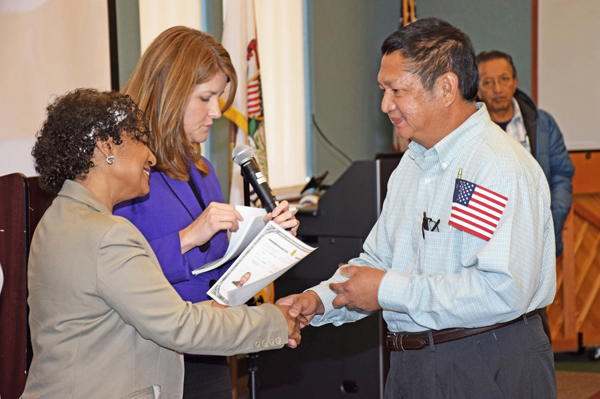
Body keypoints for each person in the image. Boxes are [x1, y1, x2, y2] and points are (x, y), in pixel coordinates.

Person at [278, 18, 557, 398]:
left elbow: (499, 290)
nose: (385, 104)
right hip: (415, 364)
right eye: (383, 90)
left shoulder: (492, 166)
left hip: (485, 358)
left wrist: (387, 290)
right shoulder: (413, 162)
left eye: (397, 90)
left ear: (446, 87)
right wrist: (320, 300)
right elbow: (379, 260)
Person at [23, 89, 301, 399]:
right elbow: (179, 326)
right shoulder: (107, 234)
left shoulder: (55, 220)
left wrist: (241, 308)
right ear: (105, 145)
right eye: (141, 140)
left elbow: (138, 316)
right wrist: (275, 323)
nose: (152, 157)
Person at [113, 26, 299, 398]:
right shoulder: (121, 171)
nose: (217, 111)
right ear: (169, 93)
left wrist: (266, 244)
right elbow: (112, 273)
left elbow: (217, 268)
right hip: (147, 353)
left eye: (219, 97)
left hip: (210, 344)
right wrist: (188, 237)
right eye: (205, 97)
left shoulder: (200, 169)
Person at [476, 51, 574, 343]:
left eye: (504, 79)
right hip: (489, 242)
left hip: (536, 240)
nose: (497, 89)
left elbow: (561, 176)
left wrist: (552, 222)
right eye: (488, 82)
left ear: (515, 81)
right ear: (476, 88)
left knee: (535, 322)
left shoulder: (542, 124)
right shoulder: (470, 130)